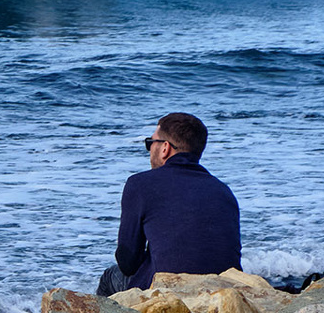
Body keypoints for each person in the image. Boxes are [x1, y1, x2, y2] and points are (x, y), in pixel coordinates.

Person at [95, 112, 241, 296]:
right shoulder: (223, 191)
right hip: (223, 290)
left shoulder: (140, 184)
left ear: (165, 148)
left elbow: (128, 263)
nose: (149, 150)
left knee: (110, 277)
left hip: (167, 291)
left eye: (150, 143)